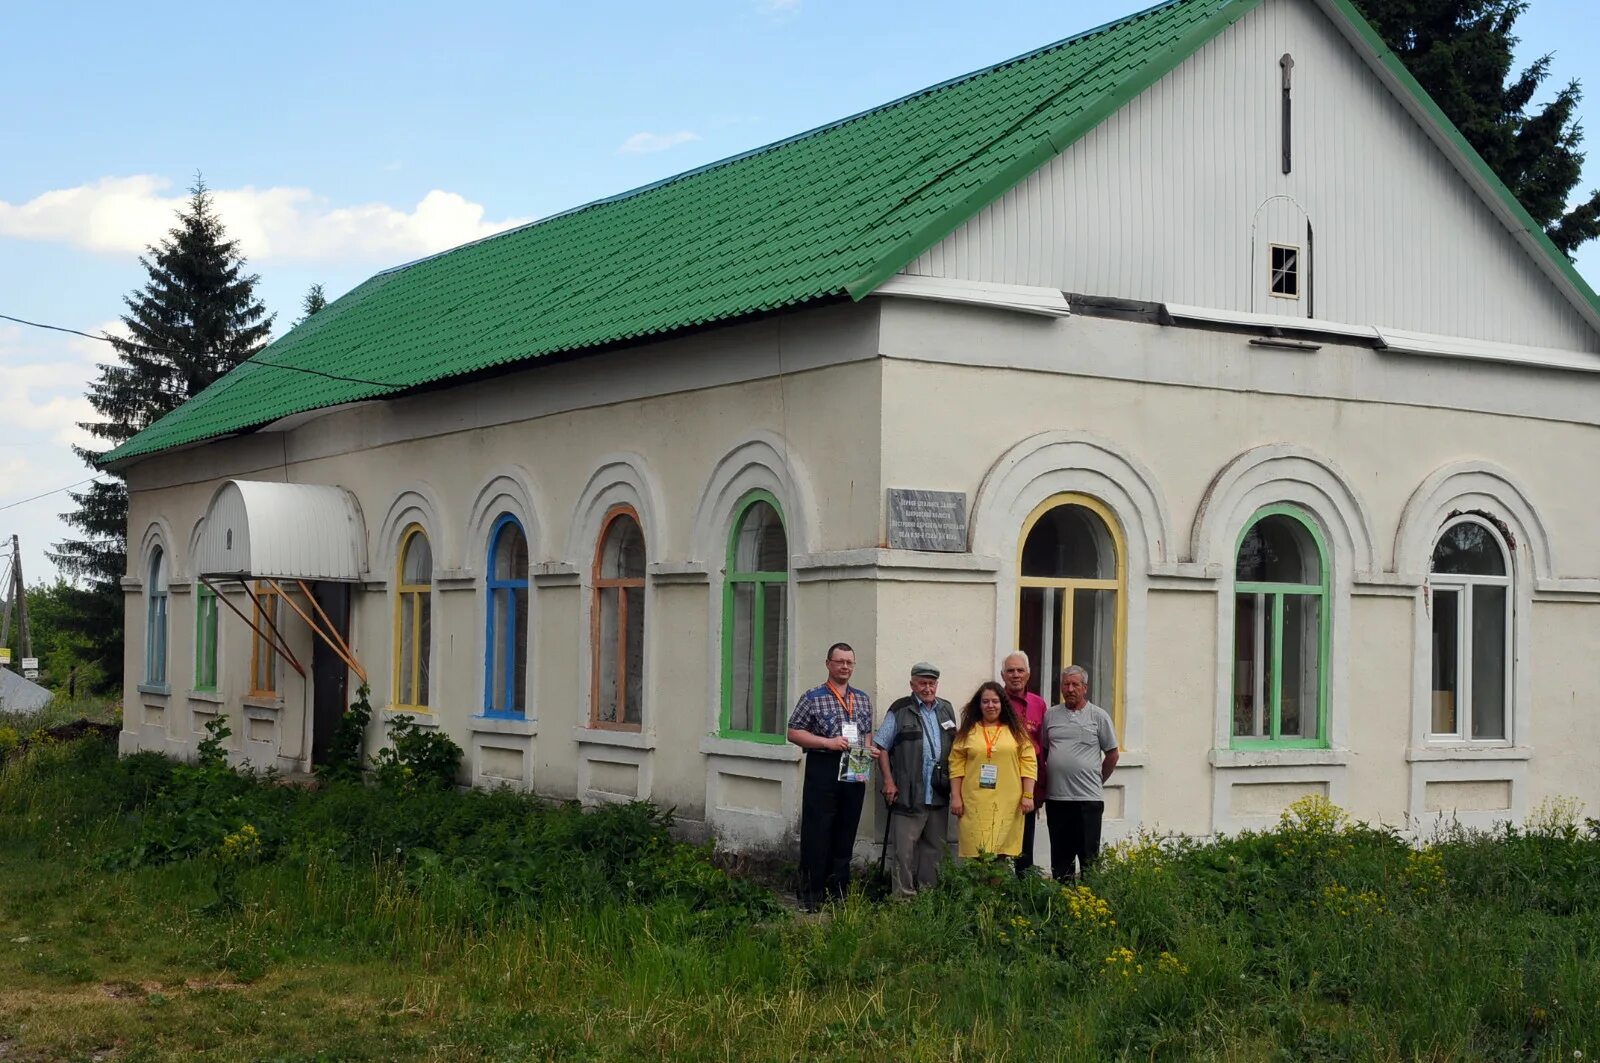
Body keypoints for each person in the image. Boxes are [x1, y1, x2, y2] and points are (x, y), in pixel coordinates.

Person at [786, 642, 875, 909]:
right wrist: (827, 743)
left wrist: (868, 751)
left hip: (854, 768)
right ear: (828, 664)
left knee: (845, 831)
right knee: (818, 831)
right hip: (823, 765)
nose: (845, 666)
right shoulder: (812, 697)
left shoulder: (861, 698)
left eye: (849, 662)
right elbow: (793, 731)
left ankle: (838, 892)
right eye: (840, 661)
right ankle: (811, 895)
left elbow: (866, 731)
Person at [872, 661, 956, 897]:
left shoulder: (946, 709)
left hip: (938, 792)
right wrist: (888, 781)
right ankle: (903, 898)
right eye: (922, 683)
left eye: (931, 683)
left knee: (934, 849)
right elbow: (881, 747)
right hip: (908, 793)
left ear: (937, 684)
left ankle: (928, 895)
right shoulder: (900, 709)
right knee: (904, 851)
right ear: (912, 684)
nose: (927, 688)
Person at [1041, 665, 1119, 880]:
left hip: (1088, 800)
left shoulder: (1099, 716)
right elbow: (1045, 751)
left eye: (1075, 684)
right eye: (1066, 684)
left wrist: (1097, 780)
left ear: (1085, 688)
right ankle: (1064, 902)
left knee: (1089, 858)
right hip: (1057, 799)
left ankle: (1089, 903)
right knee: (1060, 858)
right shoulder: (1051, 716)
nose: (1070, 689)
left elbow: (1112, 754)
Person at [948, 680, 1038, 858]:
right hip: (974, 802)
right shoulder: (968, 732)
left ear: (1003, 704)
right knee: (977, 853)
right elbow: (956, 765)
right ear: (979, 705)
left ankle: (996, 887)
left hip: (1007, 802)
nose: (991, 705)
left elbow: (1029, 763)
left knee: (1000, 854)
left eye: (995, 701)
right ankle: (980, 887)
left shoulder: (1016, 732)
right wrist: (956, 797)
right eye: (986, 701)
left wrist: (1028, 795)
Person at [1001, 651, 1048, 876]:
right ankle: (995, 890)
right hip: (1000, 784)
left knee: (1025, 843)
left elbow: (1043, 747)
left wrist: (1039, 791)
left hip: (1028, 784)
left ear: (1028, 674)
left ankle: (1024, 891)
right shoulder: (994, 701)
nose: (1015, 675)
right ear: (1003, 675)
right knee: (998, 839)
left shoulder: (1039, 704)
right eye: (1010, 670)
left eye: (1020, 670)